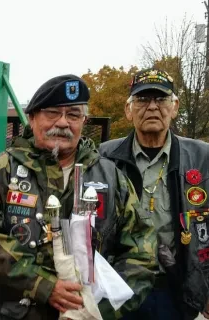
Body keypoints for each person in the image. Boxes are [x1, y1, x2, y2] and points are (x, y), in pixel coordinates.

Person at [0, 74, 157, 320]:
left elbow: (143, 249)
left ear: (83, 121)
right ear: (32, 118)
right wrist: (43, 285)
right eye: (52, 113)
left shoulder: (110, 177)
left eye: (73, 115)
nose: (63, 123)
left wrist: (100, 311)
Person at [98, 68, 209, 320]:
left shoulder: (202, 158)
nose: (152, 107)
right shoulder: (104, 157)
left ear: (175, 106)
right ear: (129, 110)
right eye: (142, 100)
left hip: (176, 288)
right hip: (118, 287)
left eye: (160, 99)